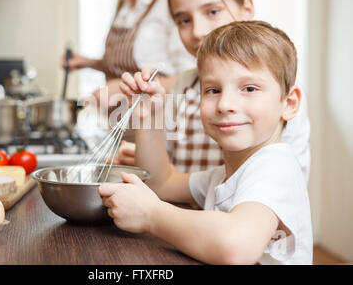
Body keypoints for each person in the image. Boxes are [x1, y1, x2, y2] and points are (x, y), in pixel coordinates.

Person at [99, 21, 313, 265]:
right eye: (213, 90)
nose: (224, 104)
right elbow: (161, 182)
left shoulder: (276, 166)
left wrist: (152, 215)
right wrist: (151, 118)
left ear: (289, 103)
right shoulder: (223, 175)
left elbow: (237, 246)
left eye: (249, 88)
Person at [114, 0, 311, 183]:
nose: (198, 31)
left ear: (246, 10)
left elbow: (285, 183)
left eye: (212, 11)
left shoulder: (277, 88)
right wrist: (146, 152)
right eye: (184, 20)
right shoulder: (184, 85)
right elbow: (164, 175)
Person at [63, 0, 195, 106]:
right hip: (120, 122)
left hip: (157, 121)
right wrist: (87, 62)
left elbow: (192, 77)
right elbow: (124, 65)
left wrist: (123, 89)